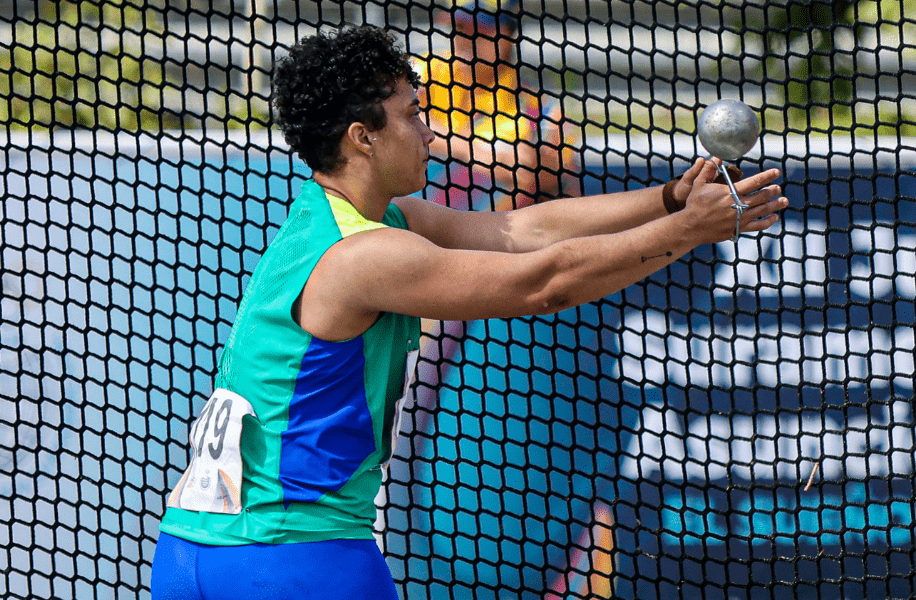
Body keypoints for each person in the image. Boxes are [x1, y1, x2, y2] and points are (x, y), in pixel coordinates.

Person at [149, 25, 786, 600]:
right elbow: (547, 283)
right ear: (363, 137)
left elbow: (524, 229)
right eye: (412, 116)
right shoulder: (367, 255)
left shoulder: (325, 224)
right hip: (293, 560)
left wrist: (672, 198)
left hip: (188, 553)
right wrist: (690, 232)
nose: (429, 133)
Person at [414, 0, 579, 212]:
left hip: (487, 239)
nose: (465, 39)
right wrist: (473, 151)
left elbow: (568, 194)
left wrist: (540, 174)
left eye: (481, 29)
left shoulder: (542, 115)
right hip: (411, 232)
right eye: (460, 27)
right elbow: (389, 119)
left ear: (509, 35)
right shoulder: (424, 71)